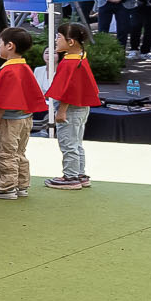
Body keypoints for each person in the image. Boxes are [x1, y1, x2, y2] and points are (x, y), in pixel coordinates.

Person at [0, 27, 48, 199]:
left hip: (9, 119)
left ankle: (6, 188)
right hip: (25, 118)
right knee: (19, 153)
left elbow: (3, 97)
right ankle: (21, 185)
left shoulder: (8, 70)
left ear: (10, 46)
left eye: (0, 44)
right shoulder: (25, 67)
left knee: (4, 153)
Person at [45, 20, 101, 190]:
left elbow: (67, 89)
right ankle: (79, 174)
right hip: (81, 107)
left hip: (70, 108)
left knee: (68, 142)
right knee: (76, 142)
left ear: (71, 42)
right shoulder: (80, 58)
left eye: (59, 37)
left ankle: (70, 176)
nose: (56, 40)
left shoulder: (69, 63)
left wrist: (61, 111)